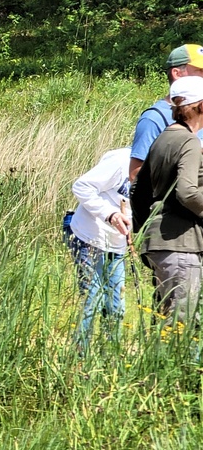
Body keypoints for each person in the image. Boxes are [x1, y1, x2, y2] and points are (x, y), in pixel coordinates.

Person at [130, 75, 203, 323]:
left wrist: (145, 232)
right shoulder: (189, 142)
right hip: (181, 244)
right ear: (201, 106)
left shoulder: (163, 138)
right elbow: (188, 192)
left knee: (165, 323)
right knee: (182, 325)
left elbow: (138, 190)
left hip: (159, 245)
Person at [65, 148, 131, 352]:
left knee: (116, 305)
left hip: (117, 243)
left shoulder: (166, 167)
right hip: (89, 236)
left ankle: (109, 360)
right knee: (91, 299)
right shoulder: (121, 162)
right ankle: (79, 359)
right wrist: (111, 215)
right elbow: (81, 186)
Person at [129, 44, 203, 181]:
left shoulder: (201, 112)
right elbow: (135, 175)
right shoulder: (154, 118)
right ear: (177, 73)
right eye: (200, 71)